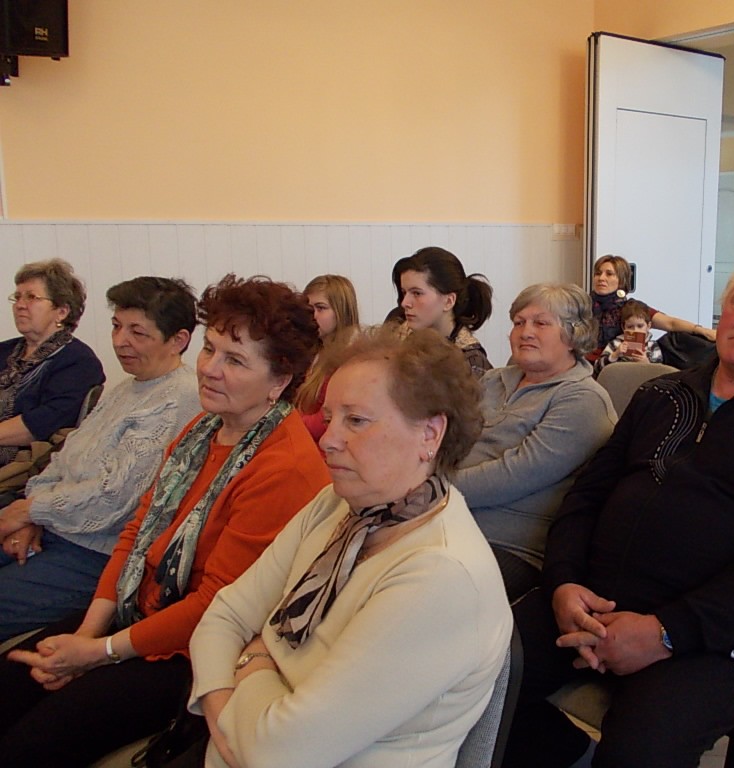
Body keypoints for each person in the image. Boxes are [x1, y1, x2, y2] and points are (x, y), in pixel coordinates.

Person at [505, 258, 734, 768]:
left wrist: (666, 632)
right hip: (591, 603)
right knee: (472, 677)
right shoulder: (660, 395)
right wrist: (563, 584)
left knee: (637, 753)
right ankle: (573, 756)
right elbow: (585, 498)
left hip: (717, 639)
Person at [0, 275, 331, 767]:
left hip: (193, 650)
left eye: (235, 360)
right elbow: (137, 534)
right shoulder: (203, 429)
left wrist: (97, 652)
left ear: (279, 380)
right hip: (140, 609)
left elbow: (215, 606)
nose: (209, 369)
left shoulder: (285, 467)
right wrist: (89, 632)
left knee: (28, 746)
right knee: (10, 683)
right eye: (210, 349)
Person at [189, 328, 512, 768]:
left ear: (430, 434)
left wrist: (255, 656)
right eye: (329, 418)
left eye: (356, 420)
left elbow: (280, 753)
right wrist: (231, 717)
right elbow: (222, 618)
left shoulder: (441, 574)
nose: (327, 439)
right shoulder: (339, 505)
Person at [0, 276, 203, 641]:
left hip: (95, 554)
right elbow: (63, 459)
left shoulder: (181, 398)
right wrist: (31, 514)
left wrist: (29, 511)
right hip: (53, 527)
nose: (119, 341)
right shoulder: (128, 387)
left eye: (137, 332)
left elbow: (115, 498)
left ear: (178, 340)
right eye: (116, 326)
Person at [452, 283, 616, 601]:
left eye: (540, 323)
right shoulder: (493, 380)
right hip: (446, 522)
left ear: (573, 335)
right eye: (519, 322)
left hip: (507, 546)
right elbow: (448, 440)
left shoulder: (582, 399)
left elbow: (514, 475)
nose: (525, 332)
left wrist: (430, 489)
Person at [0, 259, 104, 478]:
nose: (20, 305)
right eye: (17, 297)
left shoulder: (78, 362)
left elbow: (42, 424)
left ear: (61, 312)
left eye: (31, 297)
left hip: (24, 469)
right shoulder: (5, 350)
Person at [588, 254, 714, 362]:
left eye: (609, 274)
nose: (601, 278)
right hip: (585, 364)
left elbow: (671, 323)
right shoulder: (583, 304)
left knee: (683, 340)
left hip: (617, 367)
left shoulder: (631, 308)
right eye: (598, 273)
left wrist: (703, 331)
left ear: (621, 280)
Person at [395, 246, 494, 377]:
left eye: (417, 293)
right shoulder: (395, 331)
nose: (404, 303)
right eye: (404, 292)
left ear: (448, 301)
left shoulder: (470, 363)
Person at [294, 274, 360, 442]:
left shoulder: (350, 357)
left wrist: (288, 424)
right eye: (309, 309)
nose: (313, 316)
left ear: (341, 312)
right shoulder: (311, 351)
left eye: (321, 308)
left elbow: (327, 419)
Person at [592, 298, 665, 376]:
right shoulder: (615, 344)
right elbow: (597, 368)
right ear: (624, 327)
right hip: (619, 379)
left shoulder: (653, 346)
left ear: (648, 326)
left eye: (640, 326)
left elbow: (659, 373)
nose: (635, 330)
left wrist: (646, 363)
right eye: (630, 327)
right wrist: (615, 355)